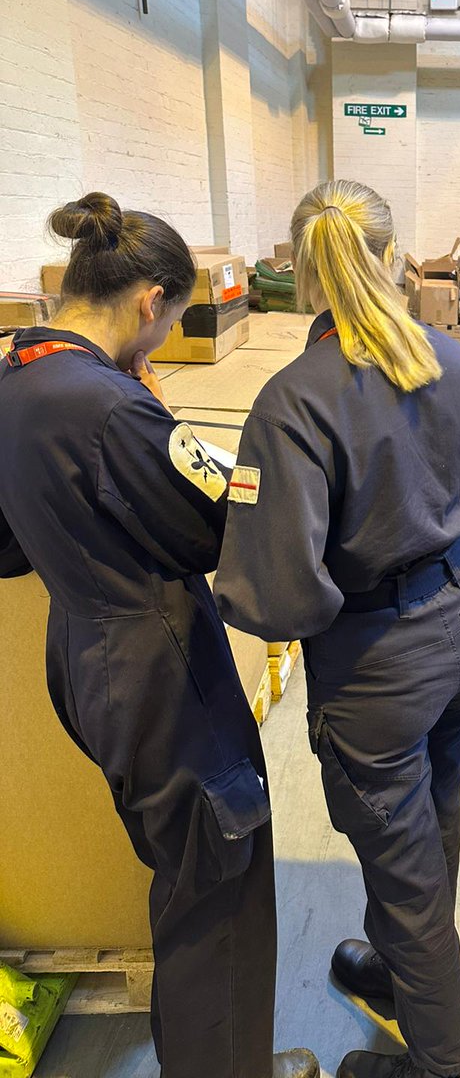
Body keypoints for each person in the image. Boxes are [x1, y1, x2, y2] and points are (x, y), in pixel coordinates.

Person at [0, 194, 317, 1078]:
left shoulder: (15, 375)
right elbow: (217, 522)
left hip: (89, 655)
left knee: (185, 876)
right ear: (151, 302)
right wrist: (236, 458)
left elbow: (4, 549)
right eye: (170, 322)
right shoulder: (109, 407)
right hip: (160, 673)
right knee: (218, 896)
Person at [214, 179, 460, 1078]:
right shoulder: (455, 362)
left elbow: (277, 598)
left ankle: (442, 1065)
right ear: (393, 258)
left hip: (379, 660)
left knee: (405, 855)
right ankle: (395, 968)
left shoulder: (291, 402)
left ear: (301, 277)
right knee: (438, 810)